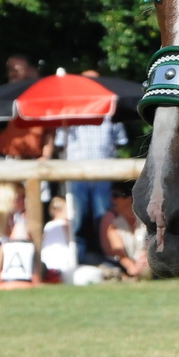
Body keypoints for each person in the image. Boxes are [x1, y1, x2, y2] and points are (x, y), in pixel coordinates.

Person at [55, 109, 127, 263]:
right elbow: (60, 143)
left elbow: (120, 141)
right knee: (77, 220)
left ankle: (108, 260)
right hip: (76, 176)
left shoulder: (110, 115)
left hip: (104, 175)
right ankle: (78, 260)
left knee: (104, 219)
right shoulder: (68, 116)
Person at [99, 183, 149, 279]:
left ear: (130, 198)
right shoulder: (112, 222)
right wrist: (131, 267)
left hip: (145, 264)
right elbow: (118, 253)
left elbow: (151, 245)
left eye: (116, 196)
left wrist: (145, 259)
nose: (112, 200)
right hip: (121, 265)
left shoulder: (147, 219)